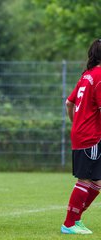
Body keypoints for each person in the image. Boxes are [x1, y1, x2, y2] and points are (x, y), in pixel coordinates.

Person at [61, 39, 101, 234]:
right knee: (85, 180)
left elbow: (69, 103)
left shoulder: (86, 76)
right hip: (91, 136)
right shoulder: (100, 76)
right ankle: (69, 223)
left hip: (82, 132)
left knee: (97, 181)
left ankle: (75, 219)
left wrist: (75, 123)